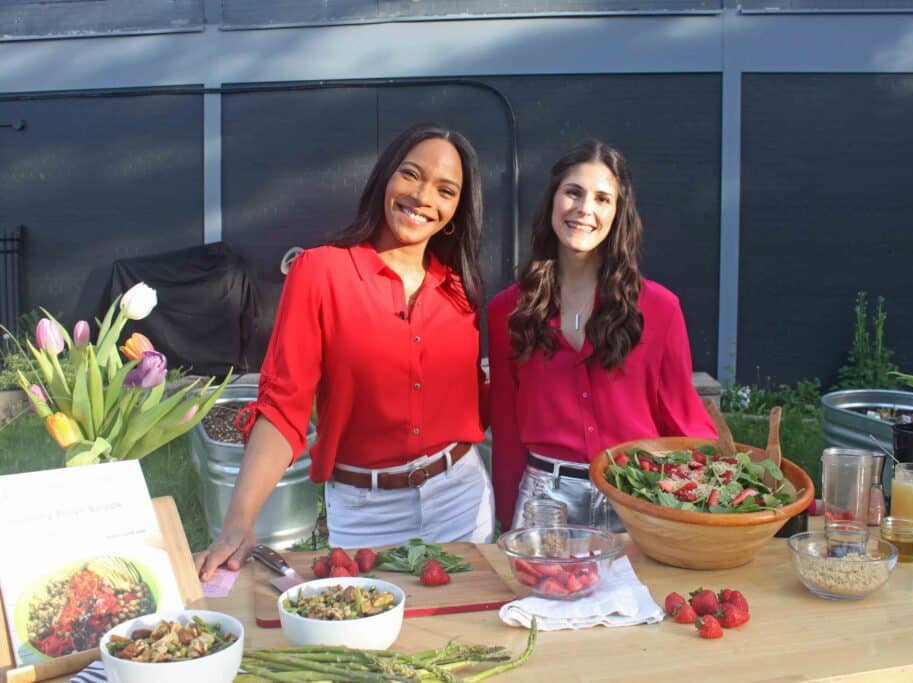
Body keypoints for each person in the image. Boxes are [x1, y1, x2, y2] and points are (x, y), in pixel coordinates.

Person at [196, 123, 494, 580]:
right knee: (372, 646)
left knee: (464, 637)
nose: (423, 196)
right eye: (411, 175)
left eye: (445, 190)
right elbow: (282, 406)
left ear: (455, 212)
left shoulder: (459, 290)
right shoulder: (320, 272)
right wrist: (239, 520)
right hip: (366, 512)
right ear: (385, 181)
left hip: (460, 500)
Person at [488, 139, 717, 532]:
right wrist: (507, 517)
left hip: (635, 496)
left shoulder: (661, 309)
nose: (584, 209)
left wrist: (710, 496)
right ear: (552, 201)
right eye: (573, 193)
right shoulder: (508, 311)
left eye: (602, 199)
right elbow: (506, 426)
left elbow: (681, 415)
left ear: (618, 213)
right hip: (545, 504)